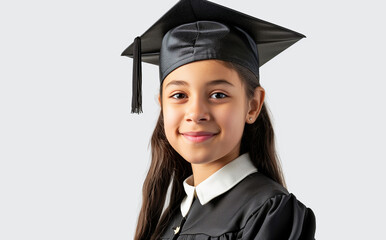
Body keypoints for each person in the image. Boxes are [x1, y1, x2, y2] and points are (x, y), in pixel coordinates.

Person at [121, 0, 316, 239]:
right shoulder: (172, 215)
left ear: (253, 105)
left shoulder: (269, 211)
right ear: (162, 106)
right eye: (179, 95)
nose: (196, 113)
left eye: (218, 95)